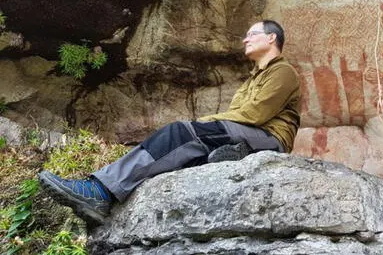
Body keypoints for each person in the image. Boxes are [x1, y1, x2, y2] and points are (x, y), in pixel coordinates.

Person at [39, 20, 301, 225]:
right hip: (249, 132)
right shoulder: (252, 78)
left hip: (269, 138)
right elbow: (240, 115)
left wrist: (203, 123)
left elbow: (255, 115)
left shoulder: (283, 72)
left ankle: (101, 190)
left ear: (271, 38)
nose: (245, 39)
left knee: (182, 132)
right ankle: (230, 155)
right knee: (186, 150)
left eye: (252, 34)